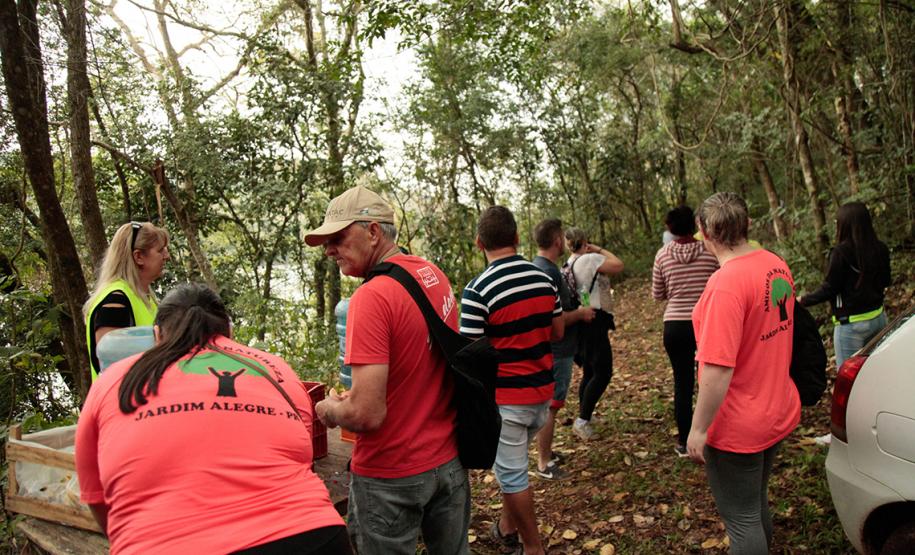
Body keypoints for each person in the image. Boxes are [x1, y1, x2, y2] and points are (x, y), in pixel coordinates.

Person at [75, 284, 350, 554]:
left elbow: (98, 499)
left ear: (157, 335)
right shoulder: (274, 369)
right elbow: (301, 459)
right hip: (313, 537)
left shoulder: (114, 379)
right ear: (229, 332)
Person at [304, 185, 469, 555]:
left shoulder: (370, 298)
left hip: (392, 476)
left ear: (373, 232)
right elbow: (420, 364)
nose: (329, 250)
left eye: (338, 238)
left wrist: (329, 410)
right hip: (448, 464)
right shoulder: (431, 274)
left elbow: (366, 413)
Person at [687, 192, 801, 554]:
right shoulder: (774, 263)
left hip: (738, 423)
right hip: (775, 408)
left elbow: (718, 370)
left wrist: (699, 428)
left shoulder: (725, 285)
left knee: (741, 518)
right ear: (747, 224)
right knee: (754, 504)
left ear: (703, 231)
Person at [460, 206, 563, 555]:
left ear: (479, 243)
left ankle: (532, 547)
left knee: (514, 476)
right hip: (541, 396)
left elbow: (470, 356)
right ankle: (506, 527)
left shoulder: (477, 290)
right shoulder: (543, 278)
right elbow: (558, 331)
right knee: (513, 467)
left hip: (507, 402)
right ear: (517, 238)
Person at [651, 206, 718, 457]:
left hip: (675, 325)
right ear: (696, 225)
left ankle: (683, 440)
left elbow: (658, 294)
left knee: (682, 382)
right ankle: (713, 433)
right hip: (706, 322)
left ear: (670, 228)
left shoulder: (662, 255)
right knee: (711, 378)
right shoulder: (709, 253)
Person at [531, 218, 594, 480]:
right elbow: (551, 320)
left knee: (551, 404)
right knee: (551, 406)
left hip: (557, 349)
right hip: (558, 349)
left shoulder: (540, 268)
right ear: (557, 240)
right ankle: (544, 463)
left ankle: (547, 453)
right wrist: (580, 314)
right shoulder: (548, 272)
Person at [799, 202, 891, 369]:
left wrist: (803, 300)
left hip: (851, 327)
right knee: (878, 371)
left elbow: (829, 288)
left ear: (844, 225)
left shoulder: (840, 253)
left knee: (849, 380)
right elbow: (886, 281)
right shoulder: (881, 248)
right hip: (879, 319)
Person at [83, 221, 170, 381]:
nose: (167, 256)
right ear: (138, 257)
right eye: (160, 251)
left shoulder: (144, 298)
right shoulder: (115, 301)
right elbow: (111, 367)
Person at [563, 227, 624, 441]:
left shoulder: (570, 262)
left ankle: (585, 414)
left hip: (583, 321)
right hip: (594, 321)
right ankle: (582, 420)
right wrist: (597, 248)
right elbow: (618, 265)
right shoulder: (589, 259)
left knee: (590, 371)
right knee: (603, 372)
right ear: (584, 241)